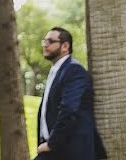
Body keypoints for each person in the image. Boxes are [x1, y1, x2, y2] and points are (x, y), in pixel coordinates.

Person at [34, 27, 106, 160]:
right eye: (44, 41)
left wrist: (51, 143)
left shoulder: (74, 70)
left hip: (70, 150)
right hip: (53, 149)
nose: (45, 45)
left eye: (50, 41)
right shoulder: (56, 70)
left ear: (65, 46)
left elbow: (69, 110)